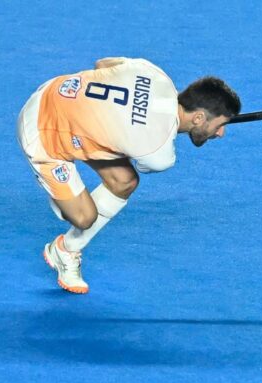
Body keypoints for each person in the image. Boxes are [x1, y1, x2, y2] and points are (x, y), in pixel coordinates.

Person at [17, 57, 241, 294]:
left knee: (125, 181)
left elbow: (102, 64)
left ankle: (66, 250)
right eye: (220, 124)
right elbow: (148, 142)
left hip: (54, 91)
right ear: (198, 118)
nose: (221, 133)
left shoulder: (155, 74)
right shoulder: (158, 153)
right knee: (83, 217)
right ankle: (60, 204)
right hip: (40, 133)